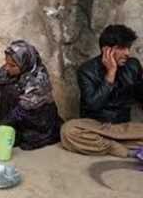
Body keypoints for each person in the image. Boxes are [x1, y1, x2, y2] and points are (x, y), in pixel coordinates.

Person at [61, 24, 143, 158]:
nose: (127, 53)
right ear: (107, 50)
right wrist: (110, 74)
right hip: (97, 127)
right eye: (122, 48)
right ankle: (119, 149)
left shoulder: (133, 65)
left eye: (128, 48)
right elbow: (93, 105)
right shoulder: (86, 70)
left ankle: (107, 144)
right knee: (68, 131)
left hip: (123, 128)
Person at [0, 40, 61, 150]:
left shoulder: (38, 81)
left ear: (24, 63)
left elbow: (20, 113)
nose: (6, 68)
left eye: (12, 65)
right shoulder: (4, 72)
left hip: (30, 120)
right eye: (6, 63)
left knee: (5, 139)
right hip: (7, 110)